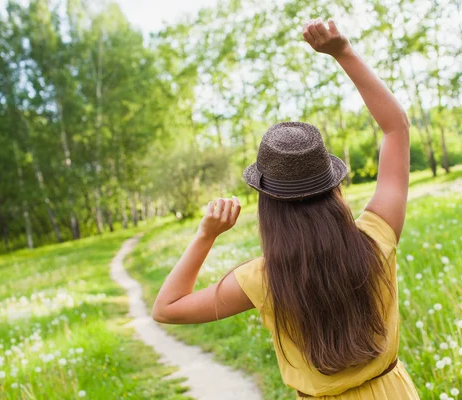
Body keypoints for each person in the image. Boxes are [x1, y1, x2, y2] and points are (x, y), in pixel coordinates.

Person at [152, 17, 419, 399]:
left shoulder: (262, 279)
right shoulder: (376, 237)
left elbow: (166, 309)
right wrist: (343, 53)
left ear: (267, 203)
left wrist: (205, 236)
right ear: (333, 186)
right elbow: (396, 128)